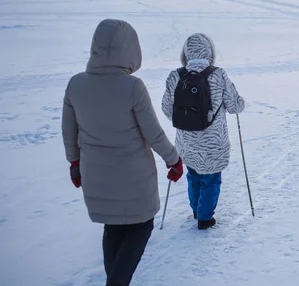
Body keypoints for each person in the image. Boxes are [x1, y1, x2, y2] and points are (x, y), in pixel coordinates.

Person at [61, 19, 184, 286]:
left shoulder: (75, 85)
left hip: (95, 174)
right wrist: (173, 160)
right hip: (134, 177)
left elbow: (69, 133)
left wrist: (74, 163)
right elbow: (154, 134)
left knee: (113, 226)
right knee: (141, 226)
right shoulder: (132, 87)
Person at [161, 33, 245, 230]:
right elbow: (234, 105)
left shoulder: (176, 75)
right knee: (211, 178)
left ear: (186, 52)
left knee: (193, 174)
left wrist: (186, 120)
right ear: (210, 51)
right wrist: (241, 105)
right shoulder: (219, 74)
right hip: (214, 142)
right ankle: (205, 218)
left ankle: (197, 211)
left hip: (187, 140)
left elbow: (167, 109)